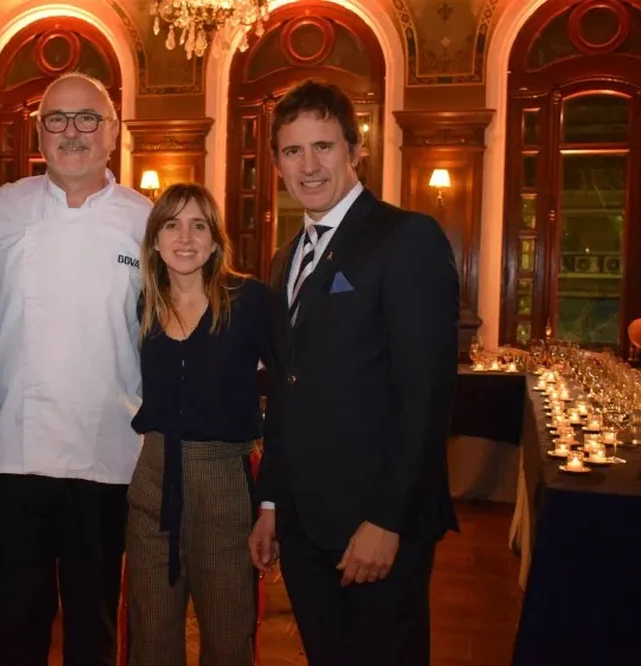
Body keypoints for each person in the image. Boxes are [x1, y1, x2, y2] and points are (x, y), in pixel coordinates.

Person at [247, 79, 460, 666]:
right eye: (293, 151)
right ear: (277, 164)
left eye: (324, 147)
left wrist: (387, 521)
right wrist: (269, 505)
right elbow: (287, 395)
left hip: (377, 526)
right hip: (304, 524)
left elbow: (427, 396)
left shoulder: (405, 238)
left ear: (354, 149)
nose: (309, 165)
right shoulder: (284, 257)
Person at [0, 71, 151, 666]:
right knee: (12, 623)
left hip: (106, 456)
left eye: (87, 119)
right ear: (38, 131)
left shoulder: (146, 221)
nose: (71, 132)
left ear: (113, 132)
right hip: (10, 454)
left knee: (93, 623)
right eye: (56, 119)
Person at [125, 183, 270, 666]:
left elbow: (293, 394)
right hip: (152, 481)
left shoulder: (248, 302)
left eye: (199, 225)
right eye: (172, 224)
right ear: (154, 239)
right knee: (151, 636)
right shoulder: (141, 305)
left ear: (215, 240)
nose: (185, 237)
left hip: (224, 485)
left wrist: (272, 502)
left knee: (229, 636)